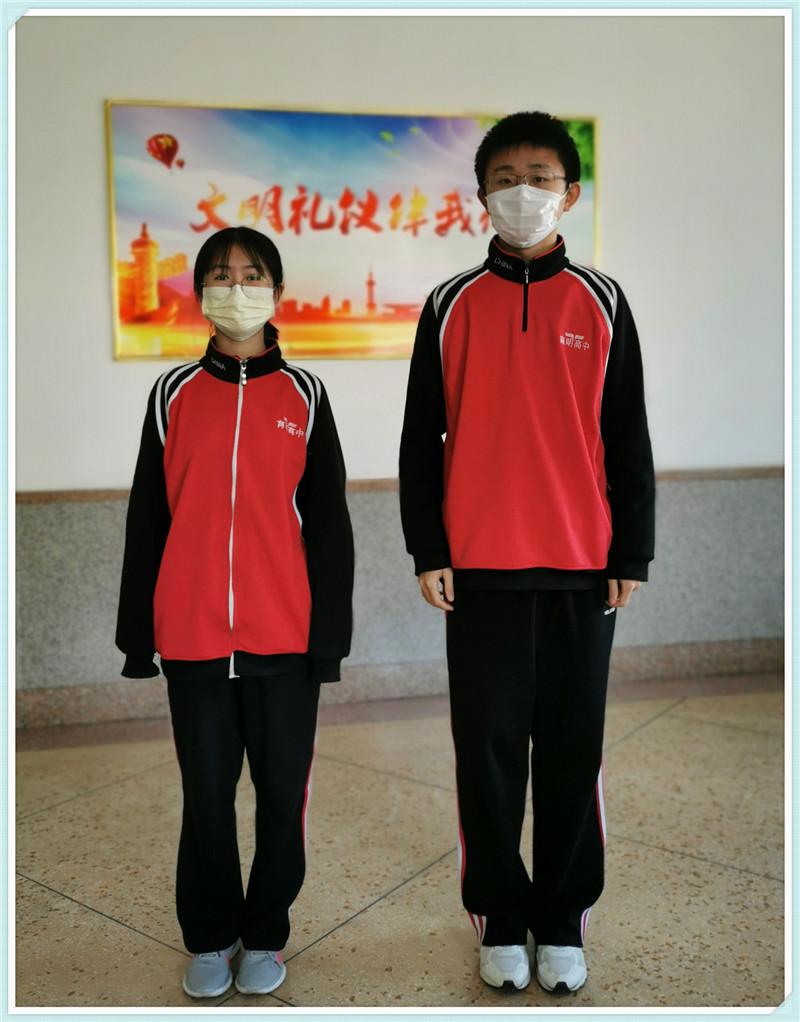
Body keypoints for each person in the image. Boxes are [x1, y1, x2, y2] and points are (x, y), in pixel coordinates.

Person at [399, 112, 655, 995]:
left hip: (583, 568)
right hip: (479, 572)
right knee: (490, 753)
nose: (523, 192)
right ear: (481, 195)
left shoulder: (604, 301)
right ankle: (501, 918)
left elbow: (628, 438)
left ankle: (563, 919)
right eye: (505, 178)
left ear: (569, 193)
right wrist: (428, 546)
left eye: (540, 177)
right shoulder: (448, 304)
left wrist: (632, 550)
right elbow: (420, 440)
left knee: (574, 752)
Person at [116, 226, 354, 999]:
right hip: (191, 639)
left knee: (282, 797)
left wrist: (328, 640)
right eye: (220, 275)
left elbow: (329, 527)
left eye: (252, 275)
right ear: (201, 293)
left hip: (284, 640)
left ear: (276, 293)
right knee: (207, 799)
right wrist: (138, 636)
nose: (236, 288)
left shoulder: (306, 396)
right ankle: (211, 935)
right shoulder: (173, 395)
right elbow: (148, 519)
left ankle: (267, 933)